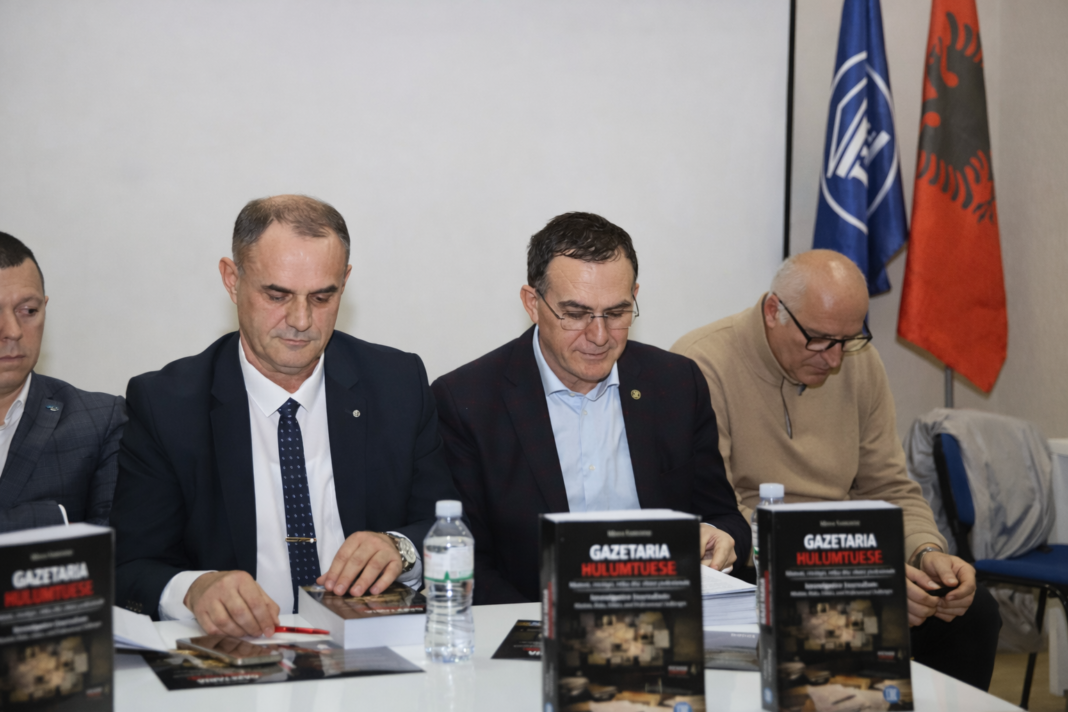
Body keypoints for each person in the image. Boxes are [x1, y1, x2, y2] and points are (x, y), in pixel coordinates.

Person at [110, 196, 459, 637]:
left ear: (345, 283)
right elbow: (128, 567)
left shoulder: (397, 383)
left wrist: (399, 548)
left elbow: (448, 526)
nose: (301, 320)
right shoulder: (167, 404)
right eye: (277, 295)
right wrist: (194, 589)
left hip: (370, 643)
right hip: (239, 653)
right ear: (232, 279)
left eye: (322, 297)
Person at [671, 249, 1002, 690]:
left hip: (850, 555)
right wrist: (857, 572)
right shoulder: (701, 363)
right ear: (773, 311)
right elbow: (718, 512)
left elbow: (890, 488)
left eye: (848, 340)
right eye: (820, 339)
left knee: (972, 612)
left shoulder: (860, 363)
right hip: (758, 562)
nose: (835, 359)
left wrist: (926, 553)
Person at [431, 212, 749, 605]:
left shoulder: (676, 384)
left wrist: (724, 536)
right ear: (533, 303)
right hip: (534, 622)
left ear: (634, 296)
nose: (599, 336)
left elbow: (724, 516)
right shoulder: (468, 401)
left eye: (616, 313)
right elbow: (467, 561)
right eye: (576, 314)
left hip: (663, 615)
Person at [0, 232, 126, 532]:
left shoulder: (98, 422)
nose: (13, 331)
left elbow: (111, 549)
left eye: (29, 311)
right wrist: (48, 519)